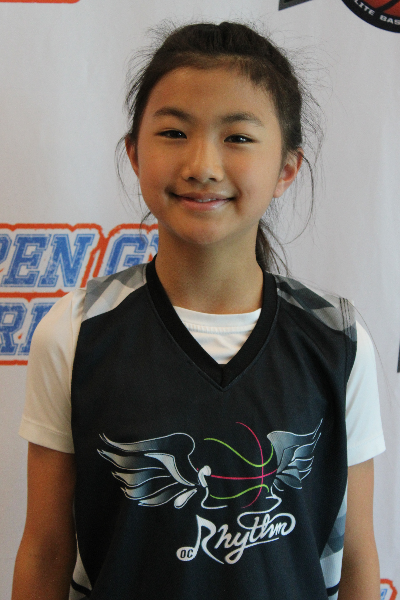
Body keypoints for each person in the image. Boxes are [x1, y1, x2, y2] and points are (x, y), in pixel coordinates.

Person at [12, 21, 385, 600]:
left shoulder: (336, 337)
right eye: (173, 132)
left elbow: (357, 552)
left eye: (237, 137)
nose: (202, 164)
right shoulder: (77, 330)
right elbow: (44, 550)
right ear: (134, 154)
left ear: (287, 168)